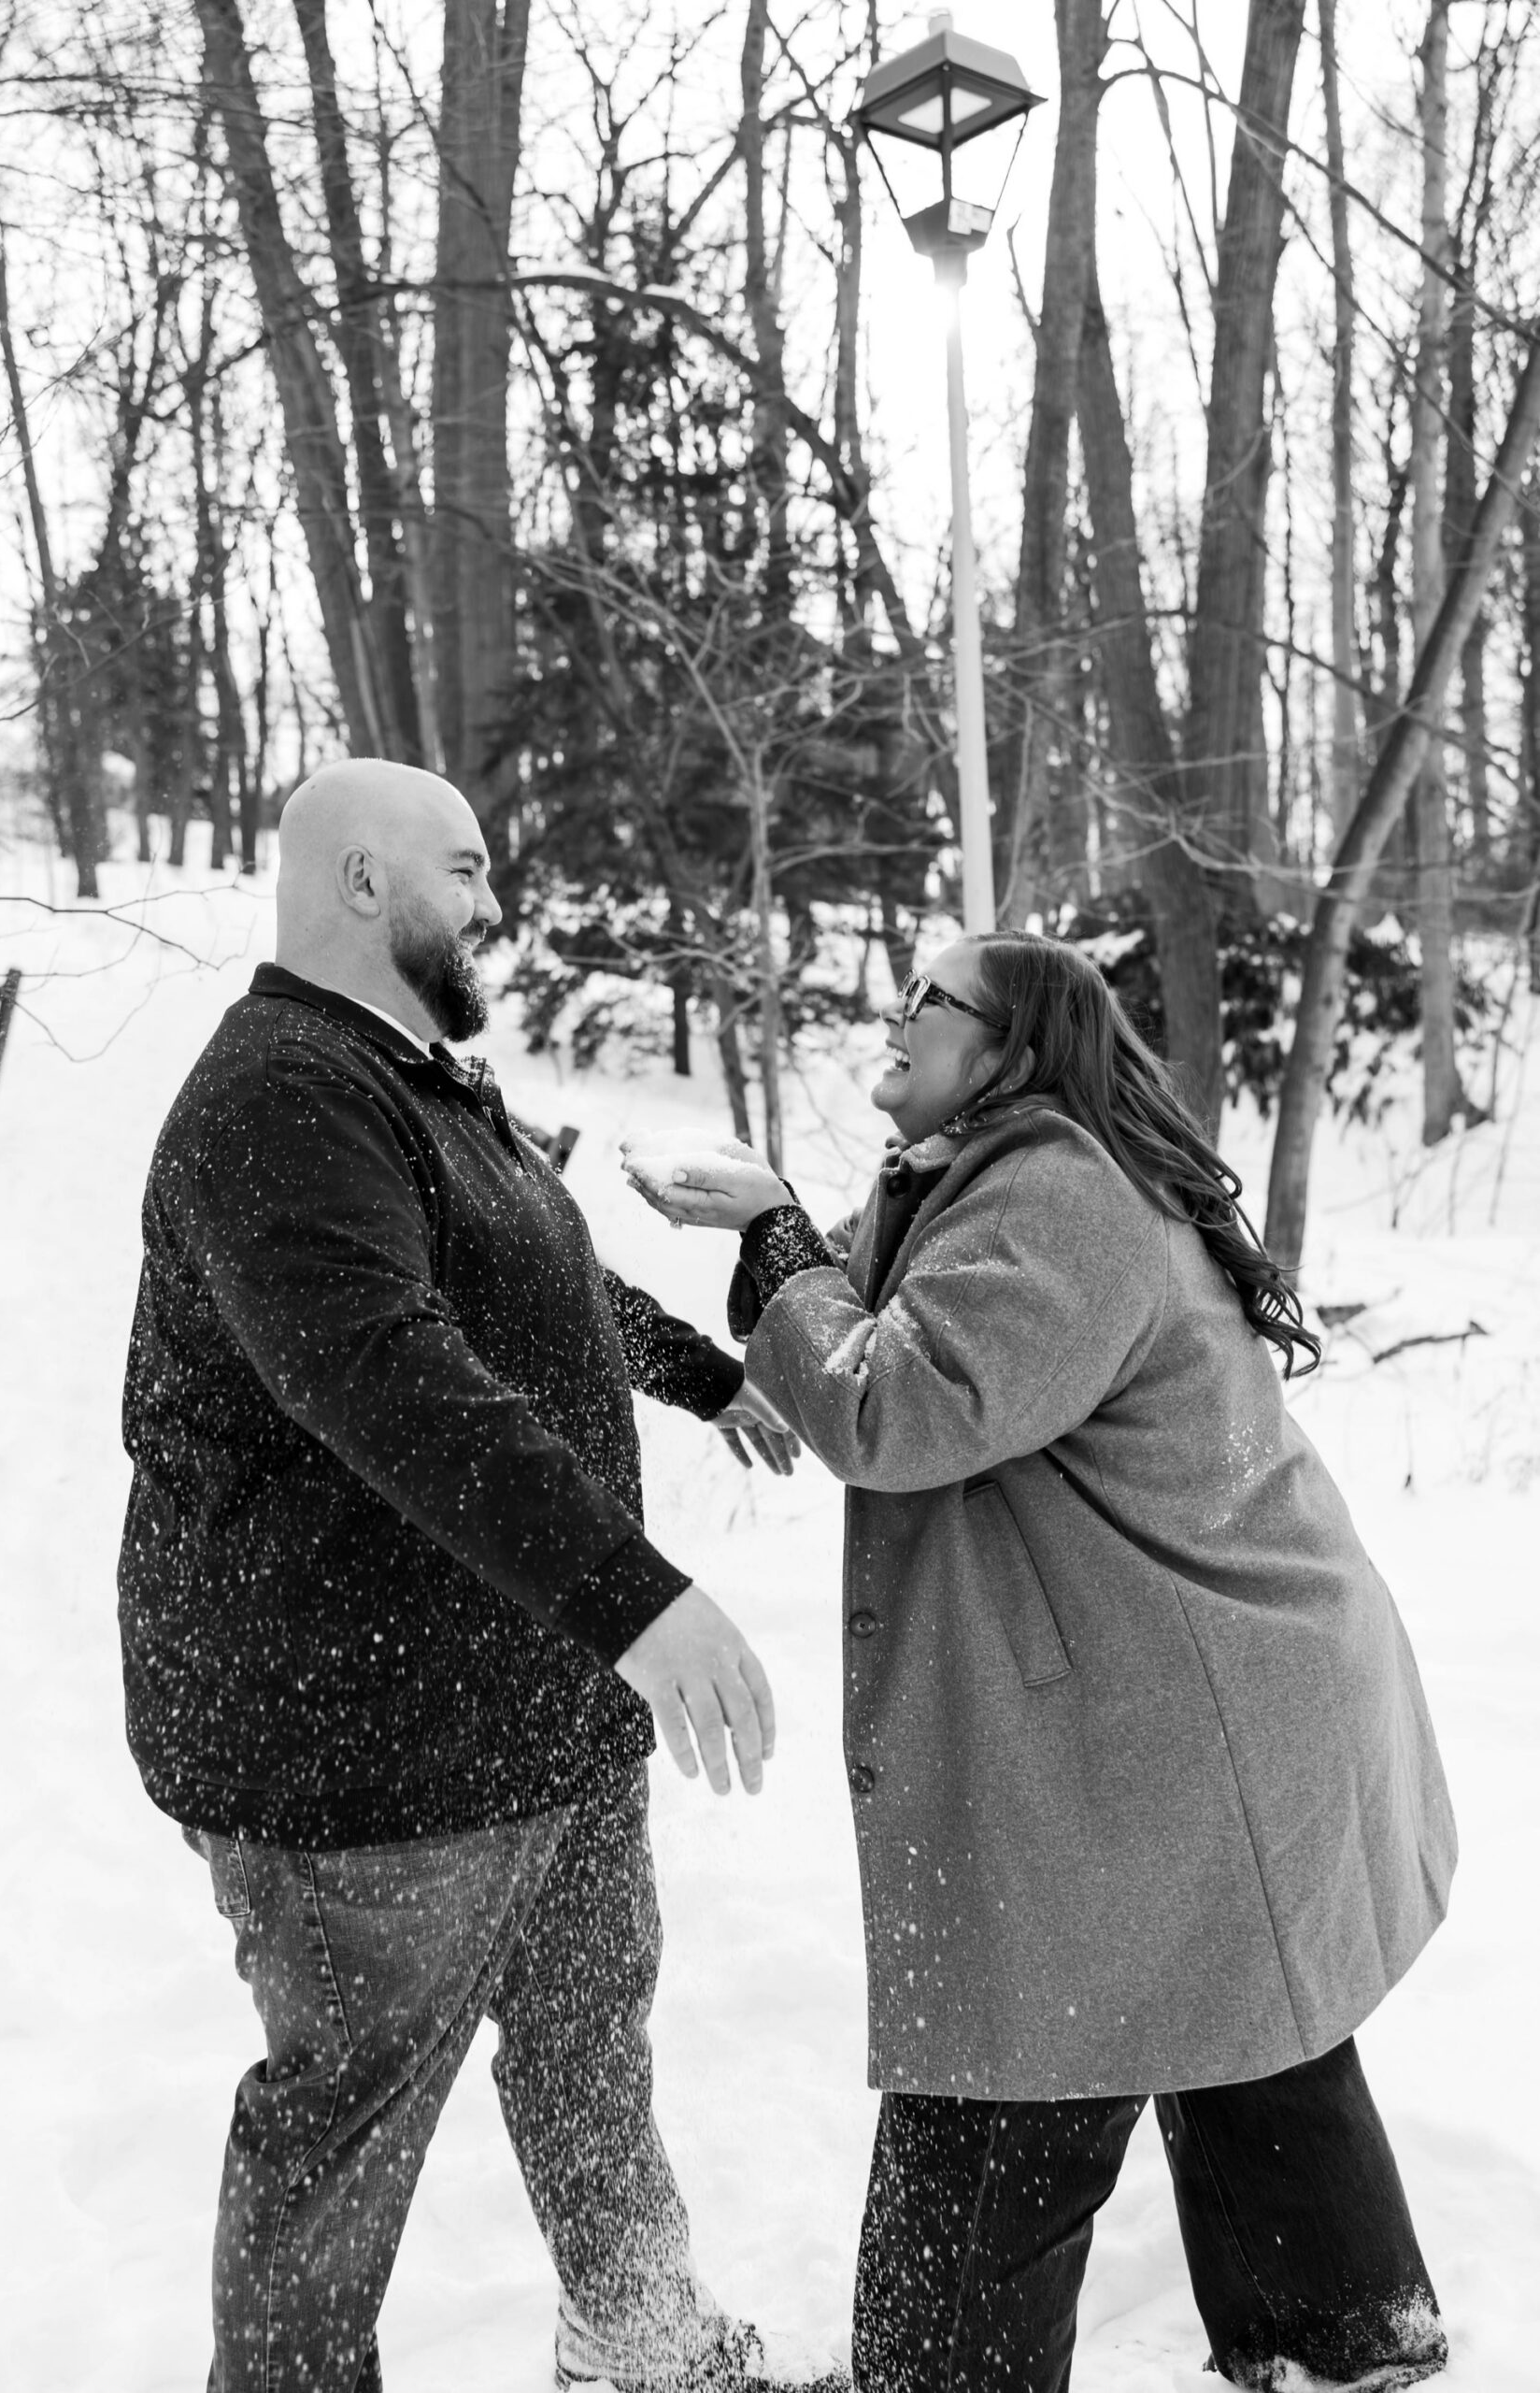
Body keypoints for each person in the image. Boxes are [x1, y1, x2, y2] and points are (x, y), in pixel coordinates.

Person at [623, 931, 1457, 2393]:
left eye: (928, 1000)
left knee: (1016, 2066)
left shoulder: (1062, 1194)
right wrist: (778, 1234)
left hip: (1185, 1720)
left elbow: (892, 1405)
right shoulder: (995, 1178)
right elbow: (880, 1324)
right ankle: (1347, 2342)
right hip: (1196, 1706)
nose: (894, 1014)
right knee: (1237, 2014)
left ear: (1011, 1049)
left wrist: (776, 1237)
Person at [118, 758, 825, 2393]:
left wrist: (704, 1376)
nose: (497, 904)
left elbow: (532, 1285)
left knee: (587, 2040)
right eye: (469, 868)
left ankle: (637, 2339)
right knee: (346, 2120)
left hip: (538, 1706)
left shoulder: (417, 1080)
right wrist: (636, 1595)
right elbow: (387, 1372)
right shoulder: (280, 1096)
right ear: (363, 882)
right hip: (362, 1744)